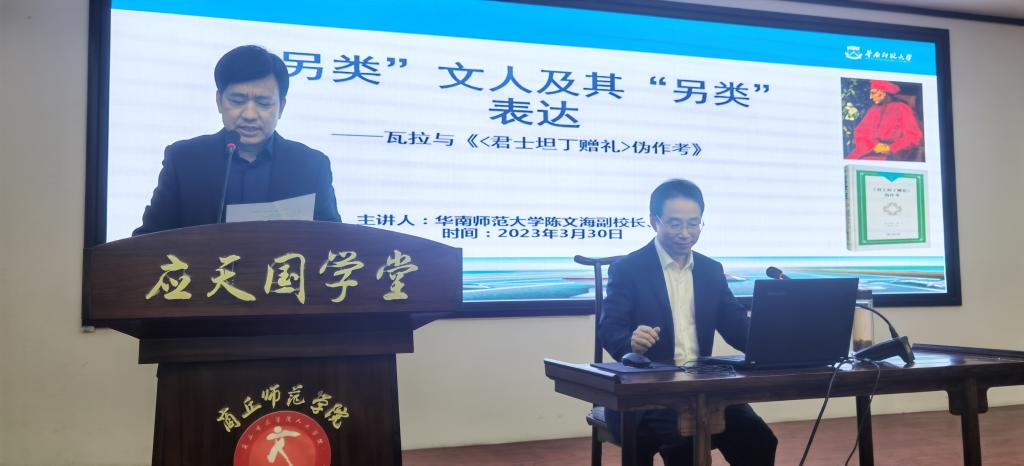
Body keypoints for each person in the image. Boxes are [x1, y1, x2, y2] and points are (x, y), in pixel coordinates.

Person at [598, 179, 777, 466]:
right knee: (687, 441)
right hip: (645, 393)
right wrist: (630, 343)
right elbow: (610, 329)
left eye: (694, 224)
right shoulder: (629, 269)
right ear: (654, 221)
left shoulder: (710, 270)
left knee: (758, 438)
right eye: (675, 224)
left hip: (702, 388)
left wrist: (776, 345)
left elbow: (736, 327)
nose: (685, 233)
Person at [133, 45, 341, 236]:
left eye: (263, 103)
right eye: (237, 101)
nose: (249, 114)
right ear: (219, 101)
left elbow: (334, 242)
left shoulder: (311, 166)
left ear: (281, 107)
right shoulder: (184, 160)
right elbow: (148, 239)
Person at [847, 79, 923, 161]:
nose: (870, 97)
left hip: (892, 155)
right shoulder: (872, 110)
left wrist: (891, 148)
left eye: (873, 93)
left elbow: (914, 137)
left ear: (884, 93)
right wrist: (874, 145)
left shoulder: (903, 109)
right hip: (868, 151)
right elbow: (860, 133)